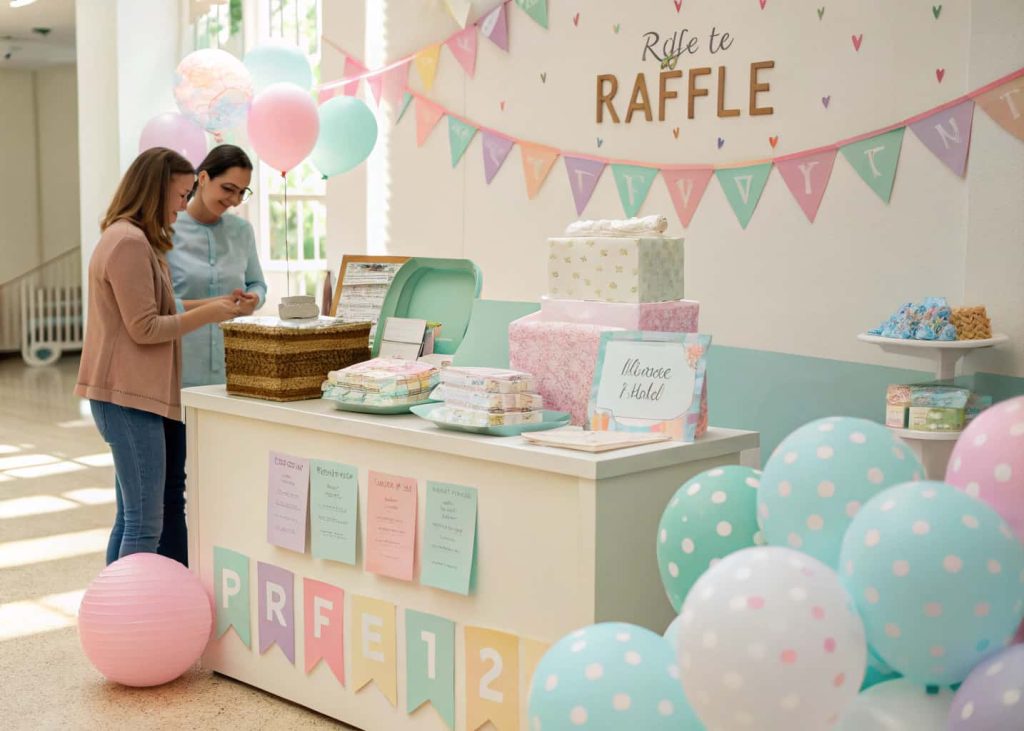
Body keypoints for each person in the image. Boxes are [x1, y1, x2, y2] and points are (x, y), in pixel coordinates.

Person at [75, 147, 244, 566]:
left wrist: (214, 303)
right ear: (155, 191)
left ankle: (118, 612)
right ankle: (128, 623)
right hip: (127, 396)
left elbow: (158, 311)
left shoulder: (134, 239)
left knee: (133, 517)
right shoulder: (128, 243)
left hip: (134, 394)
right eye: (181, 194)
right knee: (144, 523)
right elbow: (145, 328)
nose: (184, 205)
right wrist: (211, 313)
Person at [168, 144, 266, 388]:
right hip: (177, 366)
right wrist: (211, 307)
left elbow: (257, 283)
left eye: (242, 192)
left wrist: (254, 298)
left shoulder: (242, 231)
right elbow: (159, 305)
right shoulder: (167, 229)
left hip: (231, 366)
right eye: (228, 189)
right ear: (202, 178)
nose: (234, 200)